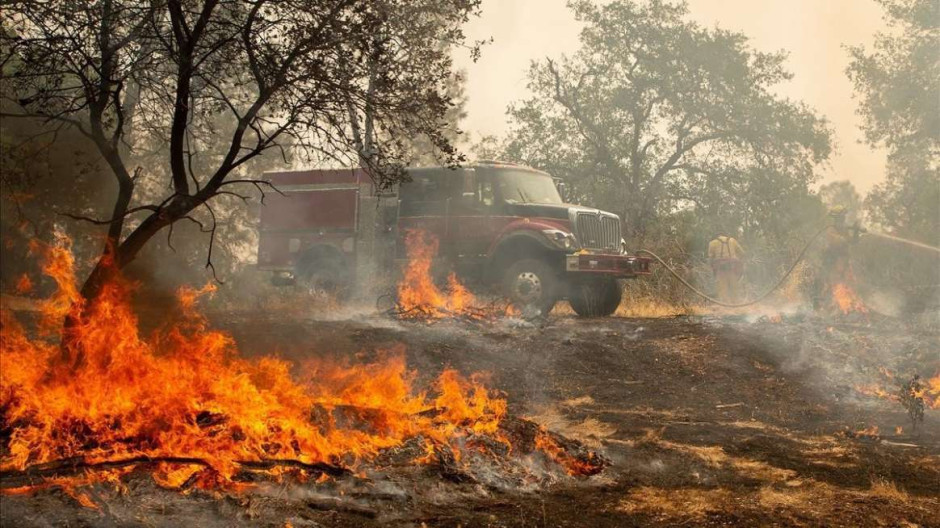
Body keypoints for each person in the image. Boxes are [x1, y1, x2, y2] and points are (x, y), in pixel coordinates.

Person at [708, 232, 745, 303]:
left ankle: (726, 305)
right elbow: (742, 253)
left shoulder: (712, 243)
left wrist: (712, 268)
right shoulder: (732, 240)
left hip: (720, 269)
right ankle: (736, 304)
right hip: (733, 268)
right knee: (734, 287)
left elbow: (711, 257)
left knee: (722, 289)